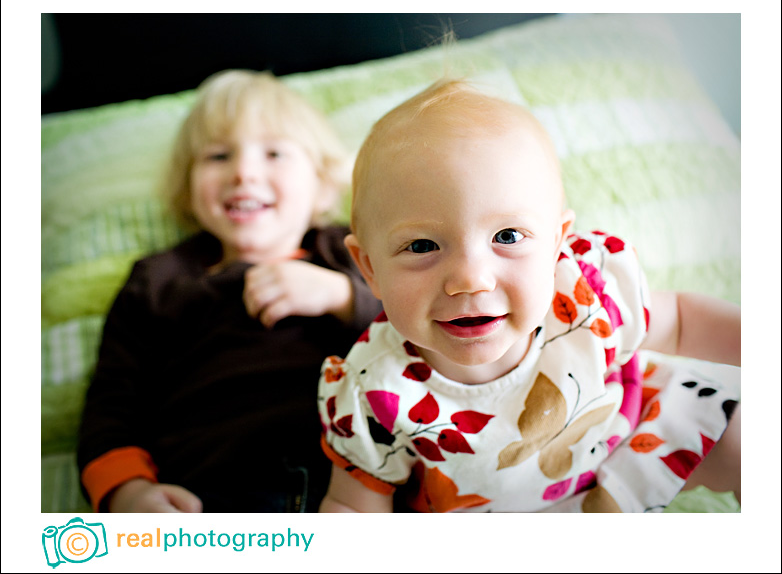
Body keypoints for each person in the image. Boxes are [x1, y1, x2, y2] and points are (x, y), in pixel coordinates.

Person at [317, 79, 741, 513]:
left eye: (507, 236)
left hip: (625, 439)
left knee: (743, 436)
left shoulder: (586, 296)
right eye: (422, 246)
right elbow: (354, 505)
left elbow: (684, 321)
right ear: (369, 268)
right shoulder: (373, 390)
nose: (471, 280)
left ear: (558, 244)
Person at [77, 70, 382, 513]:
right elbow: (111, 404)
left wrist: (344, 297)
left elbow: (426, 331)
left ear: (321, 185)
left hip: (361, 478)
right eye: (218, 156)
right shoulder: (159, 279)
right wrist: (127, 490)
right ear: (187, 190)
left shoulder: (346, 252)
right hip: (209, 493)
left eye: (275, 152)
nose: (243, 172)